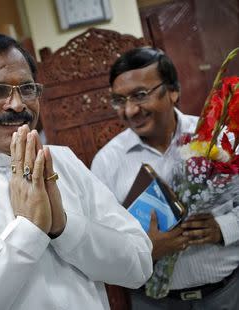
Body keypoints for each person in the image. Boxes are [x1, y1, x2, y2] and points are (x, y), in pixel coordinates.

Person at [0, 33, 153, 309]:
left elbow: (139, 264)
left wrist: (64, 228)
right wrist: (27, 233)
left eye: (27, 89)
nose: (18, 104)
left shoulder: (62, 161)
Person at [91, 47, 239, 309]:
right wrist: (145, 249)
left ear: (173, 91)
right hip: (154, 302)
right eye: (119, 100)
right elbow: (101, 239)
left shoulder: (217, 139)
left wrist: (222, 228)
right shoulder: (107, 161)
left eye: (140, 95)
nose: (130, 110)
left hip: (227, 293)